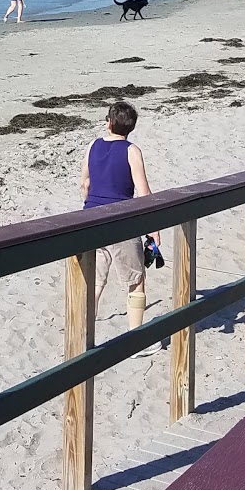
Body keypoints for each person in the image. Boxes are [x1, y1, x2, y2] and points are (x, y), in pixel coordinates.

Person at [79, 100, 159, 340]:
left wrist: (90, 204)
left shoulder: (93, 145)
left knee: (95, 281)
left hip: (90, 218)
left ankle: (85, 334)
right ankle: (136, 339)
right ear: (130, 128)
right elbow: (144, 192)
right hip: (122, 221)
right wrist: (153, 229)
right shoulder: (132, 151)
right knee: (136, 279)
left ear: (109, 123)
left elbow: (85, 184)